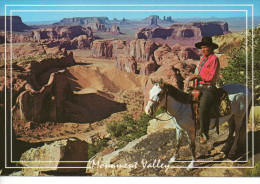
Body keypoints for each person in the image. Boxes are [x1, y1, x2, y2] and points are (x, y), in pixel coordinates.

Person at [189, 36, 220, 143]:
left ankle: (204, 133)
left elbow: (211, 77)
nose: (203, 50)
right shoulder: (202, 59)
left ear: (211, 48)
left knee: (202, 109)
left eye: (206, 48)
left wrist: (198, 77)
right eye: (202, 48)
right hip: (199, 86)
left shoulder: (214, 59)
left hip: (209, 88)